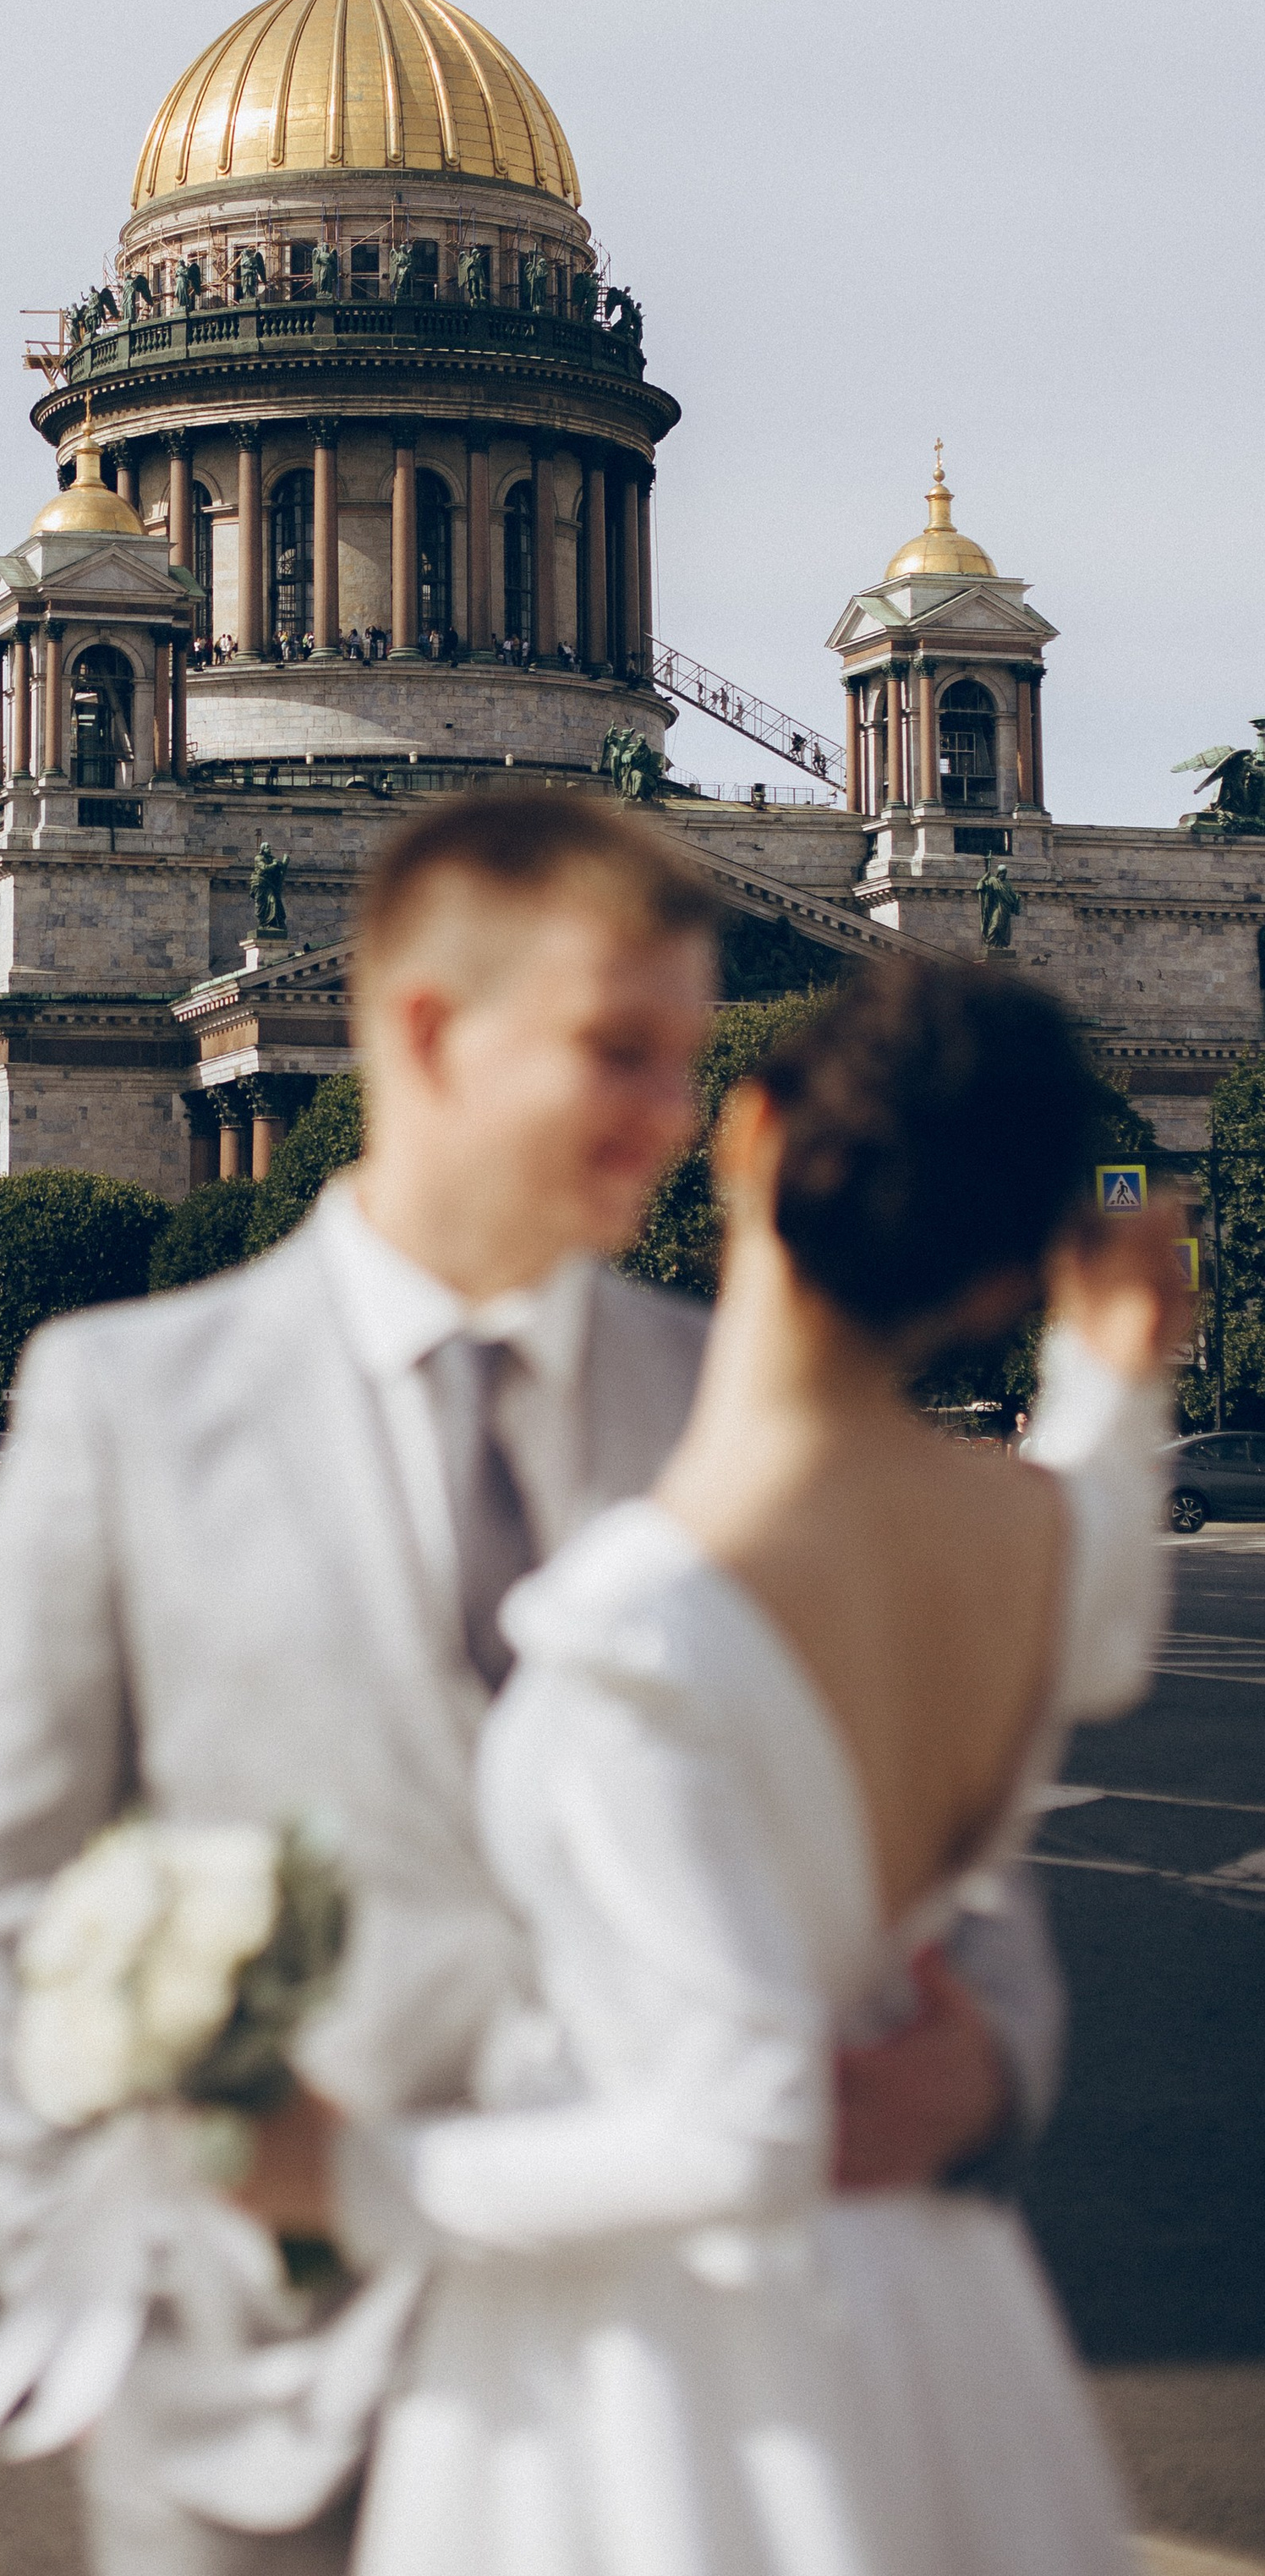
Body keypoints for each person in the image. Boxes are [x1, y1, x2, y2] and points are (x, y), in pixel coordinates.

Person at [0, 792, 1167, 2576]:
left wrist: (984, 2085)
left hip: (683, 2380)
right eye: (621, 1051)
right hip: (257, 2386)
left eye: (683, 1052)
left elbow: (937, 1830)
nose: (680, 1110)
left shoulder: (744, 1403)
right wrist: (92, 2278)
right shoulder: (123, 1400)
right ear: (425, 1031)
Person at [314, 961, 1171, 2575]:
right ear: (1001, 1280)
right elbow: (1110, 1566)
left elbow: (736, 2136)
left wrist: (332, 2172)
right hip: (950, 2319)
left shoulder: (643, 1629)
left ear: (750, 1131)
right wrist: (1113, 1363)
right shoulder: (1043, 1554)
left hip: (668, 2395)